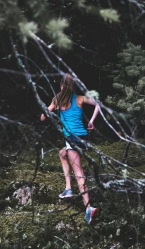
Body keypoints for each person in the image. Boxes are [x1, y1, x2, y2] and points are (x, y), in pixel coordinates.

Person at [40, 74, 101, 225]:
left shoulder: (57, 100)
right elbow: (99, 104)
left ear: (61, 85)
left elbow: (43, 117)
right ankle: (68, 188)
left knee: (79, 172)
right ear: (72, 86)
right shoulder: (79, 98)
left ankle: (88, 208)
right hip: (83, 138)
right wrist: (91, 121)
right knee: (62, 154)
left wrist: (47, 111)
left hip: (72, 140)